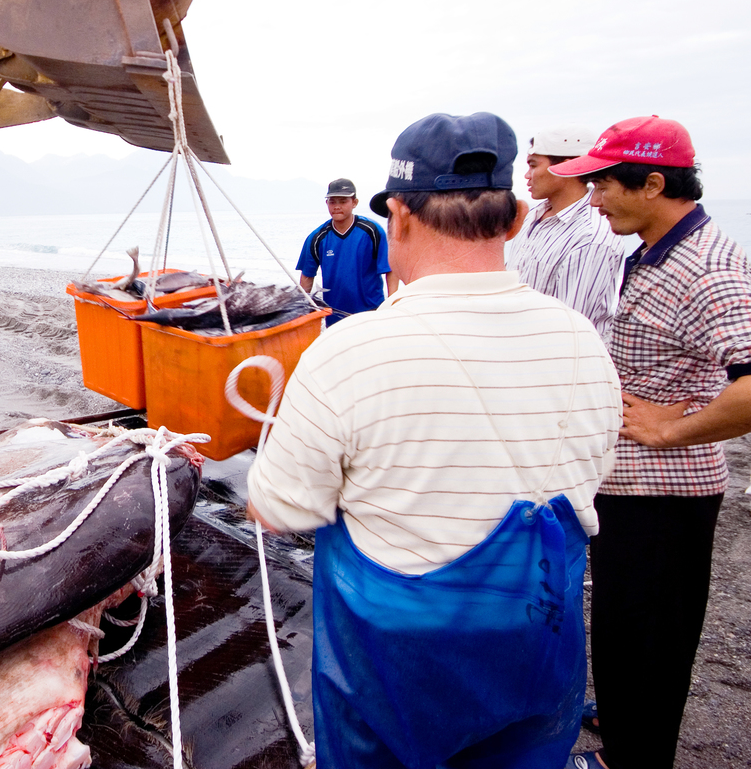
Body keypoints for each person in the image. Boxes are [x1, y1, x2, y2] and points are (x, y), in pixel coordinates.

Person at [247, 112, 621, 769]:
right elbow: (588, 481)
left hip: (394, 679)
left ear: (400, 218)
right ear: (514, 220)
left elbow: (278, 514)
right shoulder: (583, 343)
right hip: (536, 651)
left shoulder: (349, 353)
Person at [546, 116, 751, 769]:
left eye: (604, 185)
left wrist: (674, 428)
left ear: (654, 183)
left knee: (649, 646)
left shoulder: (708, 265)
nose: (595, 199)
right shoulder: (655, 247)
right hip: (628, 488)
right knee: (622, 636)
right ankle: (622, 734)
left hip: (666, 497)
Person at [506, 124, 625, 338]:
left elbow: (572, 329)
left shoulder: (590, 237)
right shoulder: (534, 216)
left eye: (533, 165)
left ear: (568, 168)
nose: (527, 175)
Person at [296, 178, 395, 324]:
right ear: (327, 203)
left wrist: (393, 305)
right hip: (335, 317)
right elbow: (306, 277)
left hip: (371, 313)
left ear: (354, 203)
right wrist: (300, 313)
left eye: (343, 201)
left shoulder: (372, 231)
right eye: (332, 201)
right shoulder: (317, 237)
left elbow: (390, 270)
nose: (337, 206)